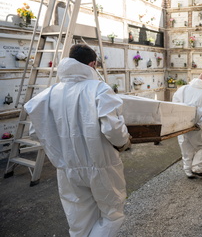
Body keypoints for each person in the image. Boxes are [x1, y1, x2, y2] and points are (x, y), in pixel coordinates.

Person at [24, 44, 131, 237]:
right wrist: (124, 141)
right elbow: (113, 129)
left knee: (78, 220)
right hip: (101, 165)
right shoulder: (98, 88)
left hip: (66, 168)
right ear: (92, 64)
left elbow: (35, 131)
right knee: (112, 215)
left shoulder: (50, 93)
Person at [172, 72, 202, 179]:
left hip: (182, 125)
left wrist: (180, 121)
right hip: (199, 125)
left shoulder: (183, 89)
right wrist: (200, 123)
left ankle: (188, 171)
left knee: (186, 147)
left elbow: (175, 104)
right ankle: (197, 169)